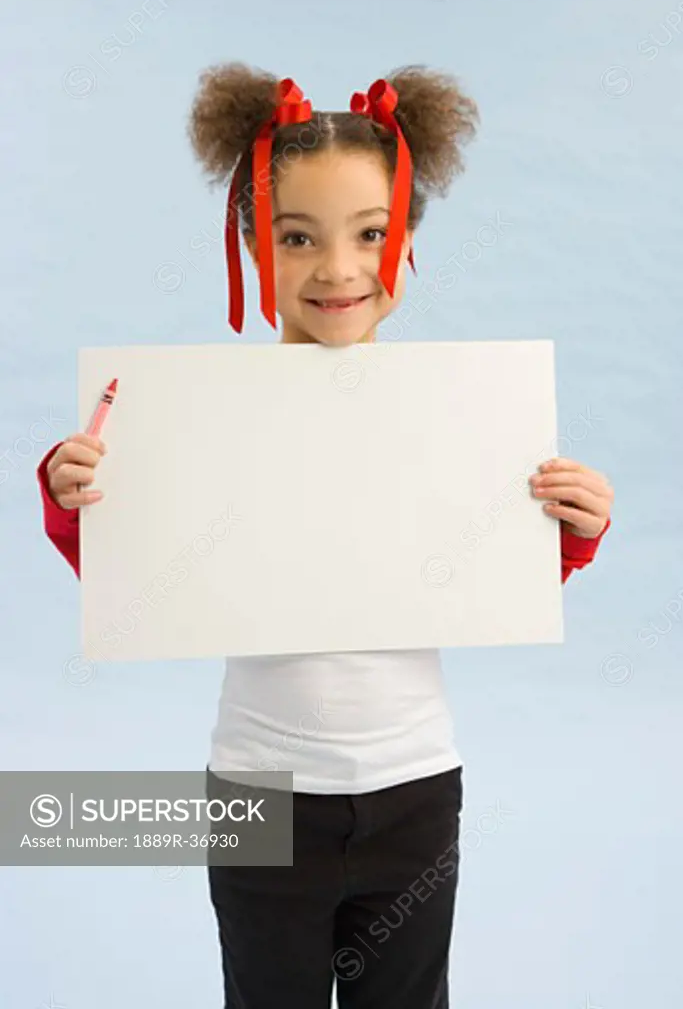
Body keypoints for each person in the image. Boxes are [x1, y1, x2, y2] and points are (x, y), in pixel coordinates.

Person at [36, 63, 613, 1009]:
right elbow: (128, 575)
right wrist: (75, 498)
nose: (338, 269)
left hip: (414, 787)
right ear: (253, 245)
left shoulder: (460, 422)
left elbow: (487, 575)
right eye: (296, 237)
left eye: (370, 235)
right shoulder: (197, 425)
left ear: (406, 244)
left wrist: (567, 532)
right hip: (257, 796)